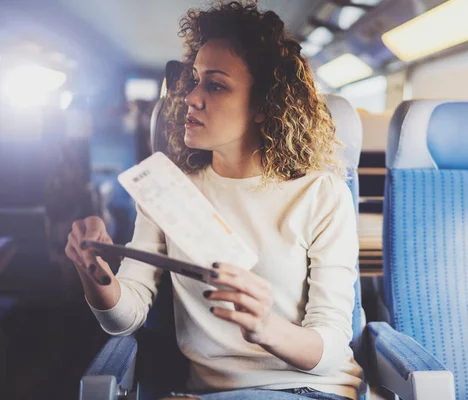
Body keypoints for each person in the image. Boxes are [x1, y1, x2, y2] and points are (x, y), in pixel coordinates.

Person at [65, 2, 362, 399]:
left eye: (215, 85)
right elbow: (125, 317)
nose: (191, 97)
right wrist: (95, 273)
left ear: (263, 105)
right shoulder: (167, 190)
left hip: (312, 389)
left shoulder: (321, 195)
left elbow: (330, 348)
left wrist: (265, 327)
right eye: (194, 80)